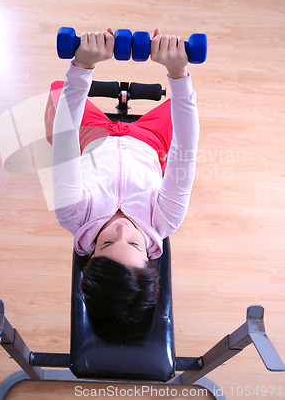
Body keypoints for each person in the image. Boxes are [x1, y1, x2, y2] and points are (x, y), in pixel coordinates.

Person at [49, 28, 199, 343]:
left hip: (95, 136)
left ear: (89, 257)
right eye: (133, 245)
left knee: (59, 93)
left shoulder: (73, 214)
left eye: (105, 245)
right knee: (185, 111)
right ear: (150, 255)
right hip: (149, 140)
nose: (120, 231)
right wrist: (177, 72)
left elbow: (65, 138)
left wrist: (83, 67)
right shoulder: (165, 218)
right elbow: (186, 147)